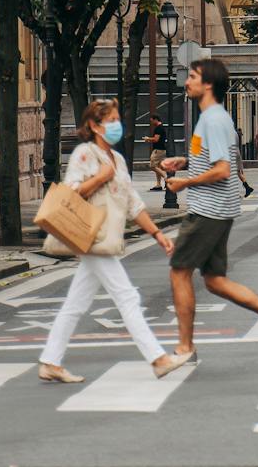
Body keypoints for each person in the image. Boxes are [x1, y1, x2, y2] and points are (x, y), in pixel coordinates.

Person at [38, 98, 190, 386]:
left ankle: (50, 361)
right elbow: (71, 192)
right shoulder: (86, 154)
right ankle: (158, 359)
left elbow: (134, 204)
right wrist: (99, 178)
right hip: (93, 237)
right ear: (94, 126)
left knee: (75, 303)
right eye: (110, 121)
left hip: (106, 239)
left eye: (117, 120)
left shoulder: (118, 160)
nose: (116, 125)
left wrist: (158, 235)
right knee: (127, 297)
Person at [162, 55, 258, 360]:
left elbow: (223, 169)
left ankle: (185, 347)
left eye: (193, 77)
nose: (187, 82)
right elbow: (214, 158)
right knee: (214, 281)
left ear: (208, 84)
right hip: (215, 209)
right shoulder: (210, 118)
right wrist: (184, 162)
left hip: (208, 210)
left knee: (179, 272)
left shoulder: (213, 119)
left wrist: (184, 183)